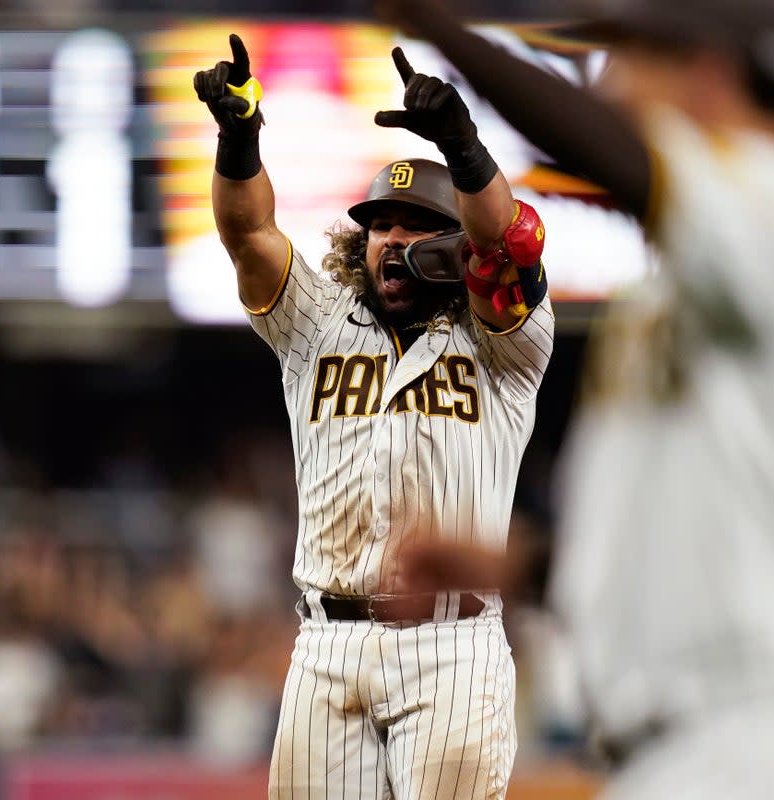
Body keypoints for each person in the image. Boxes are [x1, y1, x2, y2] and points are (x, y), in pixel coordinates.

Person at [385, 0, 774, 797]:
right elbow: (699, 535)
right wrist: (515, 565)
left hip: (769, 745)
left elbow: (620, 156)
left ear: (708, 71)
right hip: (693, 748)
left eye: (630, 54)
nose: (606, 82)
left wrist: (435, 23)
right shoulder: (704, 281)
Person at [192, 34, 554, 799]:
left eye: (418, 224)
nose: (394, 238)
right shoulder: (315, 321)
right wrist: (238, 139)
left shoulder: (505, 343)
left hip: (450, 645)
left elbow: (505, 241)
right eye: (382, 224)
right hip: (328, 643)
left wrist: (461, 144)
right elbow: (247, 234)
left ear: (455, 245)